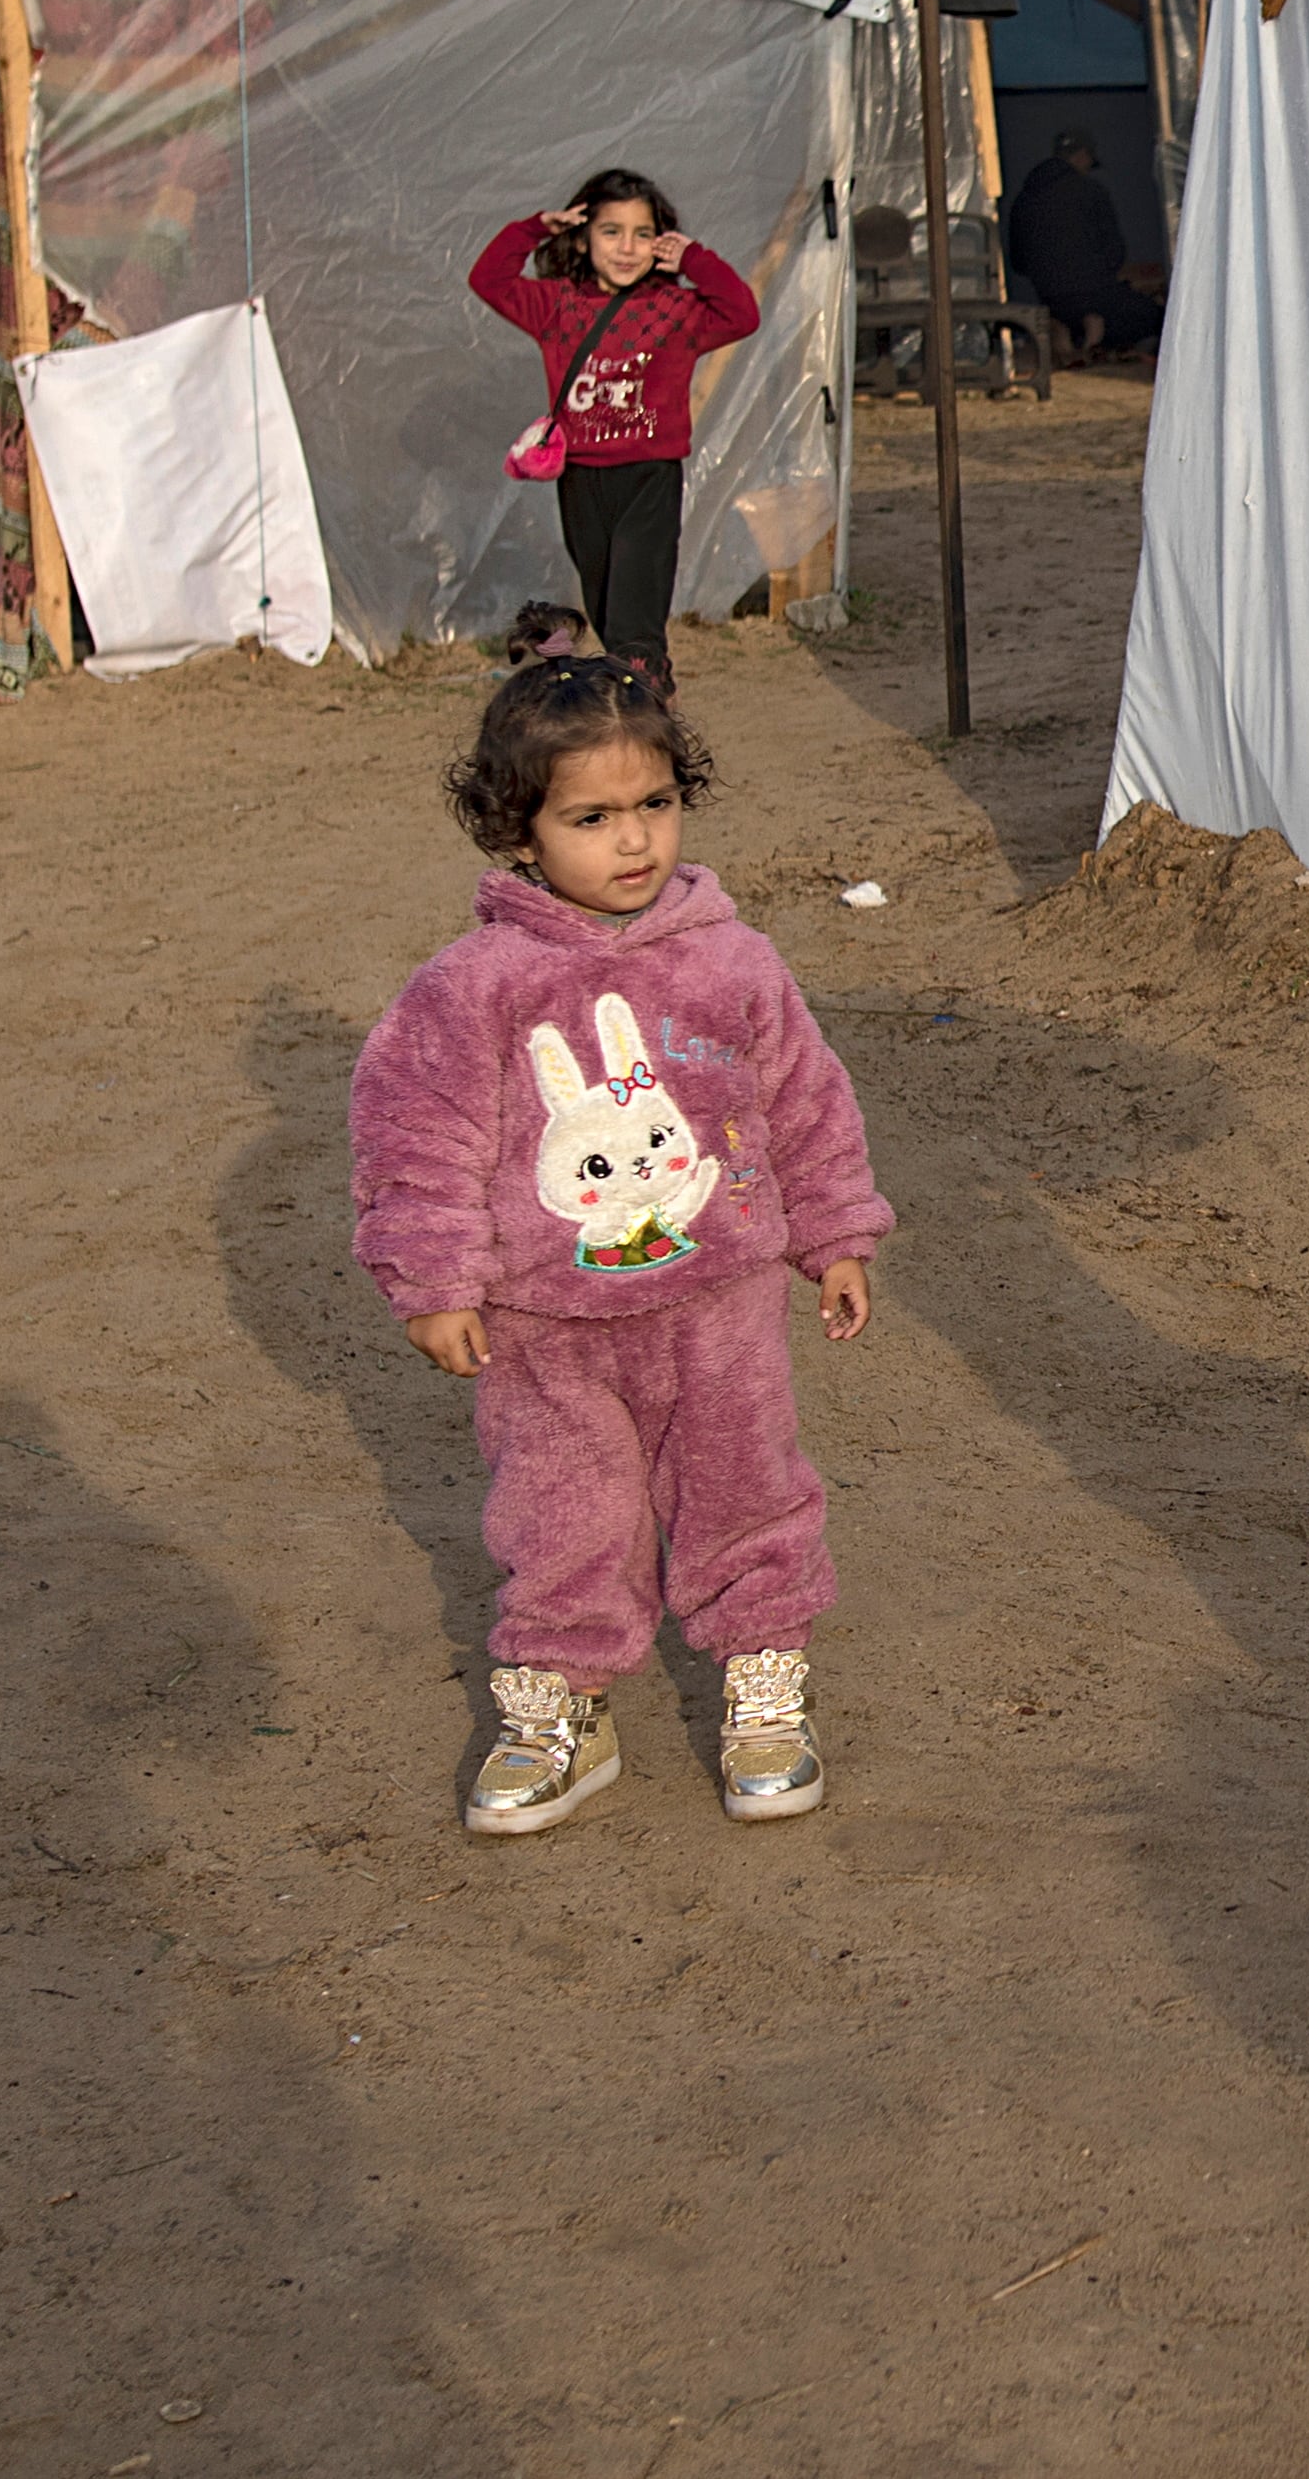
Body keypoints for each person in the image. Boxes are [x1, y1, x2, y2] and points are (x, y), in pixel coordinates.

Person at [348, 657, 895, 1837]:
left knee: (747, 1487)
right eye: (589, 817)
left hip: (723, 1305)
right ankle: (563, 1700)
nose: (631, 840)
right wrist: (433, 1279)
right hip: (548, 1323)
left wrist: (837, 1231)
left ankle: (764, 1682)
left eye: (653, 804)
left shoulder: (732, 961)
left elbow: (804, 1102)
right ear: (520, 829)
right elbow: (417, 1135)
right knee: (560, 1511)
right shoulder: (474, 987)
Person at [469, 174, 761, 699]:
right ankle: (631, 686)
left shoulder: (676, 310)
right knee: (605, 602)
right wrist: (535, 229)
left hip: (650, 476)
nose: (627, 248)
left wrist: (695, 260)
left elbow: (742, 313)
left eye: (643, 234)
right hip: (581, 478)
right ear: (582, 238)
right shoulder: (557, 305)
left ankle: (642, 699)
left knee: (636, 608)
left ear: (661, 242)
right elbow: (488, 280)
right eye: (611, 232)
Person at [1006, 129, 1155, 363]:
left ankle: (1065, 334)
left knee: (1070, 310)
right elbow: (1115, 252)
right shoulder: (1092, 192)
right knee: (1153, 317)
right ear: (1082, 156)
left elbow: (1018, 262)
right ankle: (1093, 338)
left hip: (1048, 296)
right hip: (1095, 294)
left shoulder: (1024, 198)